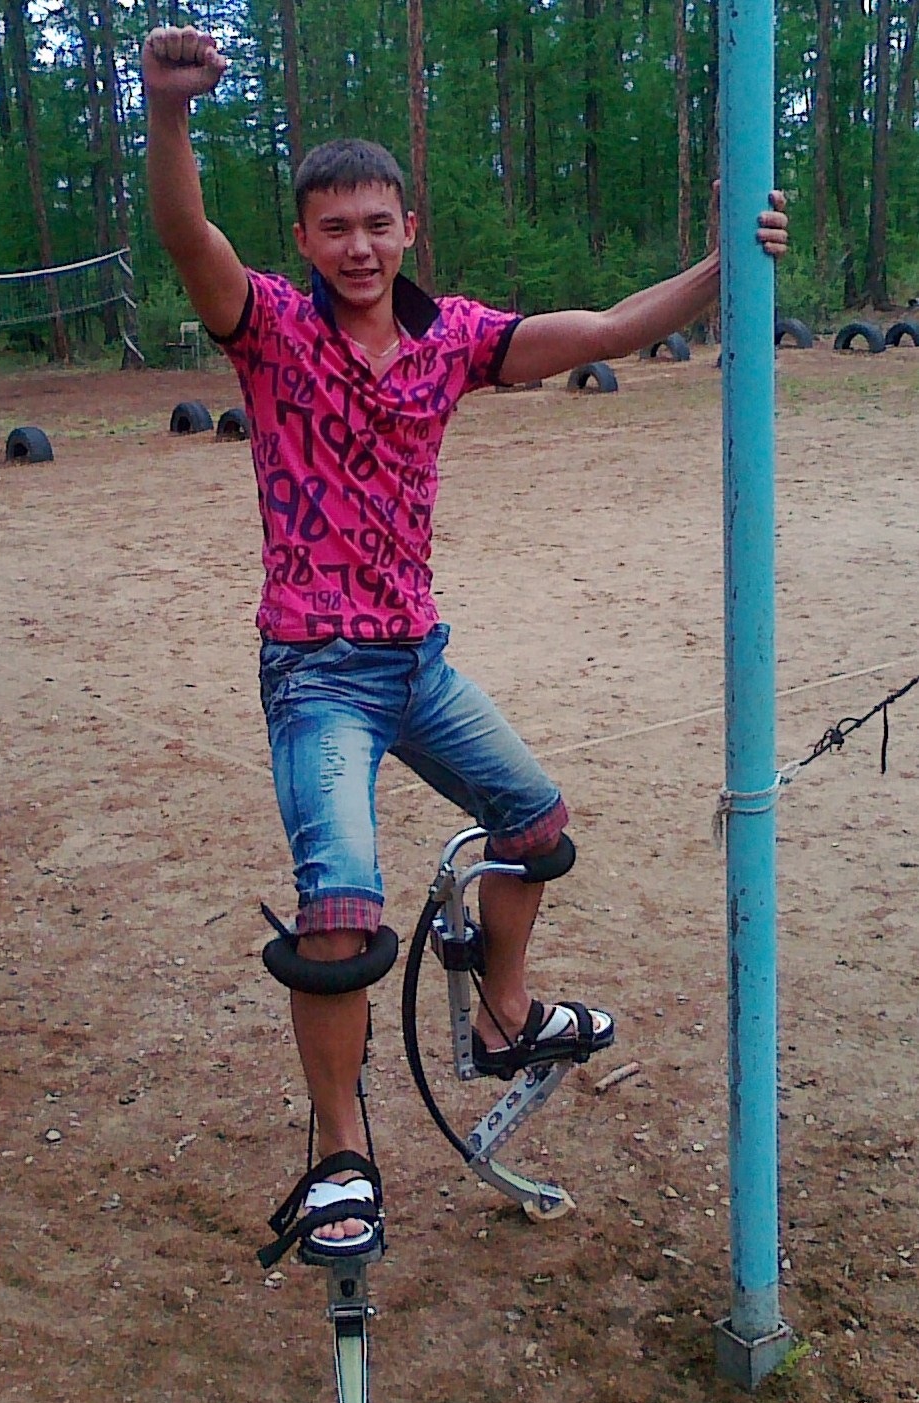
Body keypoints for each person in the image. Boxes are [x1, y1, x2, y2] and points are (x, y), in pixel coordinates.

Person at [142, 25, 789, 1263]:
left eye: (378, 224)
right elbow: (187, 237)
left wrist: (721, 266)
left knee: (535, 826)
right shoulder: (268, 329)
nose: (360, 246)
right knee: (339, 911)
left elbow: (601, 330)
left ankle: (505, 1015)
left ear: (409, 229)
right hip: (318, 673)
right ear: (305, 240)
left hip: (417, 663)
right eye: (336, 228)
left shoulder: (452, 343)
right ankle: (342, 1155)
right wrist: (169, 113)